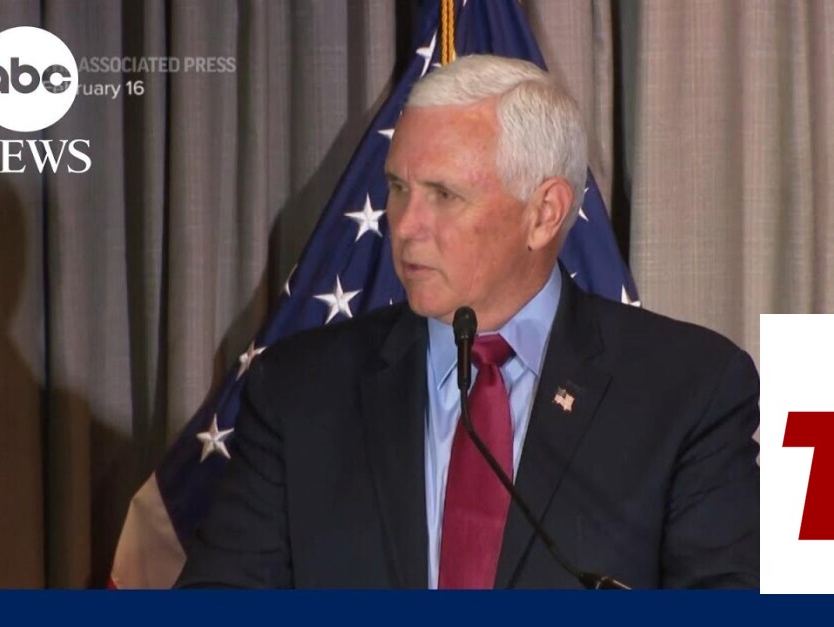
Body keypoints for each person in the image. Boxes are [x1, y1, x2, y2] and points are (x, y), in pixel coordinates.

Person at [175, 54, 759, 589]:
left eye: (444, 195)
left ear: (544, 213)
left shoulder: (689, 392)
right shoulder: (297, 390)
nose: (405, 227)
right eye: (398, 188)